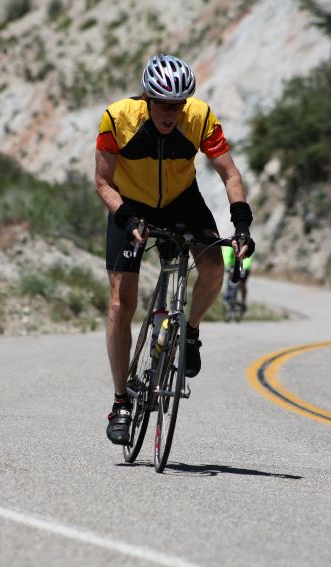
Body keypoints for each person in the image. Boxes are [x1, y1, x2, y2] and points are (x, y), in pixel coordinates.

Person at [94, 54, 255, 445]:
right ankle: (120, 403)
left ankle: (191, 333)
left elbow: (229, 173)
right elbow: (102, 182)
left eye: (178, 105)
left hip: (183, 200)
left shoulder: (200, 117)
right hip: (131, 203)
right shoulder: (116, 119)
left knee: (214, 267)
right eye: (164, 105)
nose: (172, 113)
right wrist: (128, 219)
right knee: (120, 304)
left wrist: (241, 224)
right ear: (147, 99)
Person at [221, 245, 253, 315]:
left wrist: (245, 268)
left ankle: (243, 302)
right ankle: (227, 295)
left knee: (243, 283)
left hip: (244, 266)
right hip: (233, 264)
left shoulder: (247, 243)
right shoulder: (233, 243)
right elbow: (226, 254)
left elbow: (248, 257)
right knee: (230, 278)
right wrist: (227, 265)